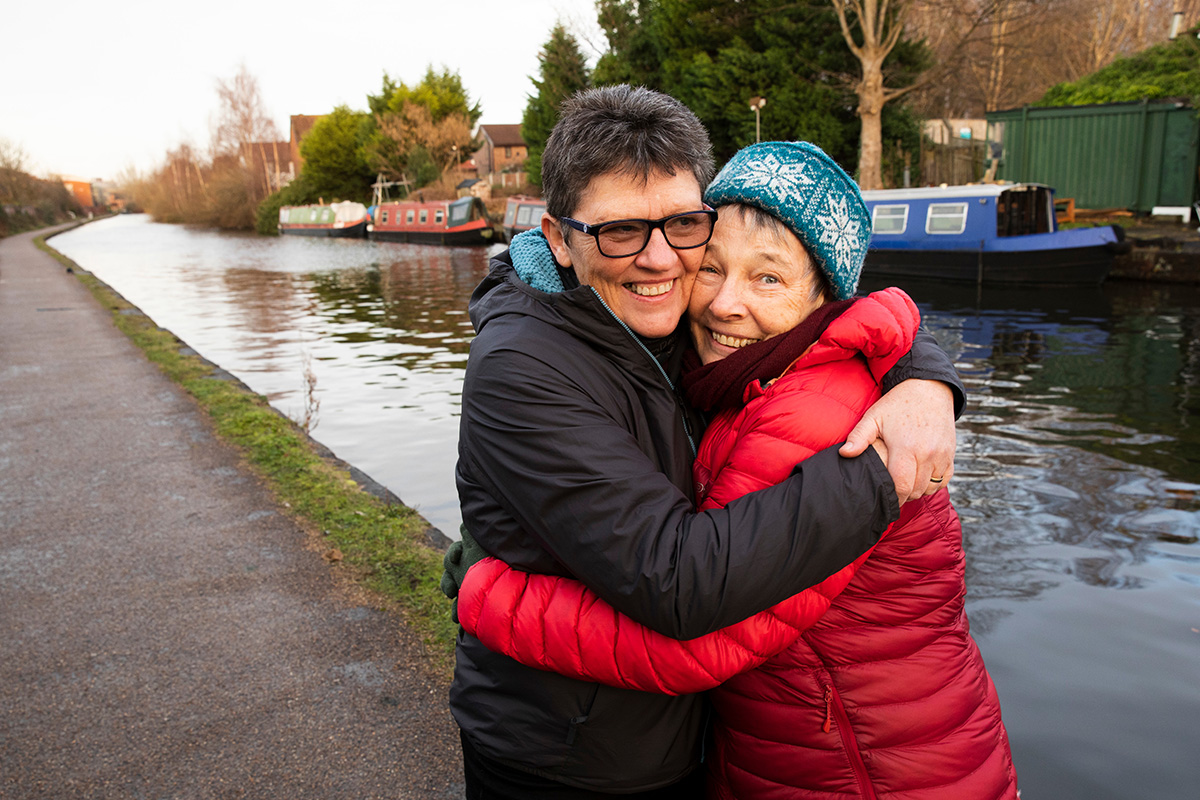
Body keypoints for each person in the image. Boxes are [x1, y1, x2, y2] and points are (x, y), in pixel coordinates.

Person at [455, 141, 1018, 799]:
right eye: (713, 268)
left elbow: (700, 633)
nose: (724, 303)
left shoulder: (817, 414)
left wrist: (489, 596)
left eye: (768, 278)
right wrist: (924, 373)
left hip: (872, 771)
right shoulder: (738, 377)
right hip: (809, 757)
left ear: (824, 297)